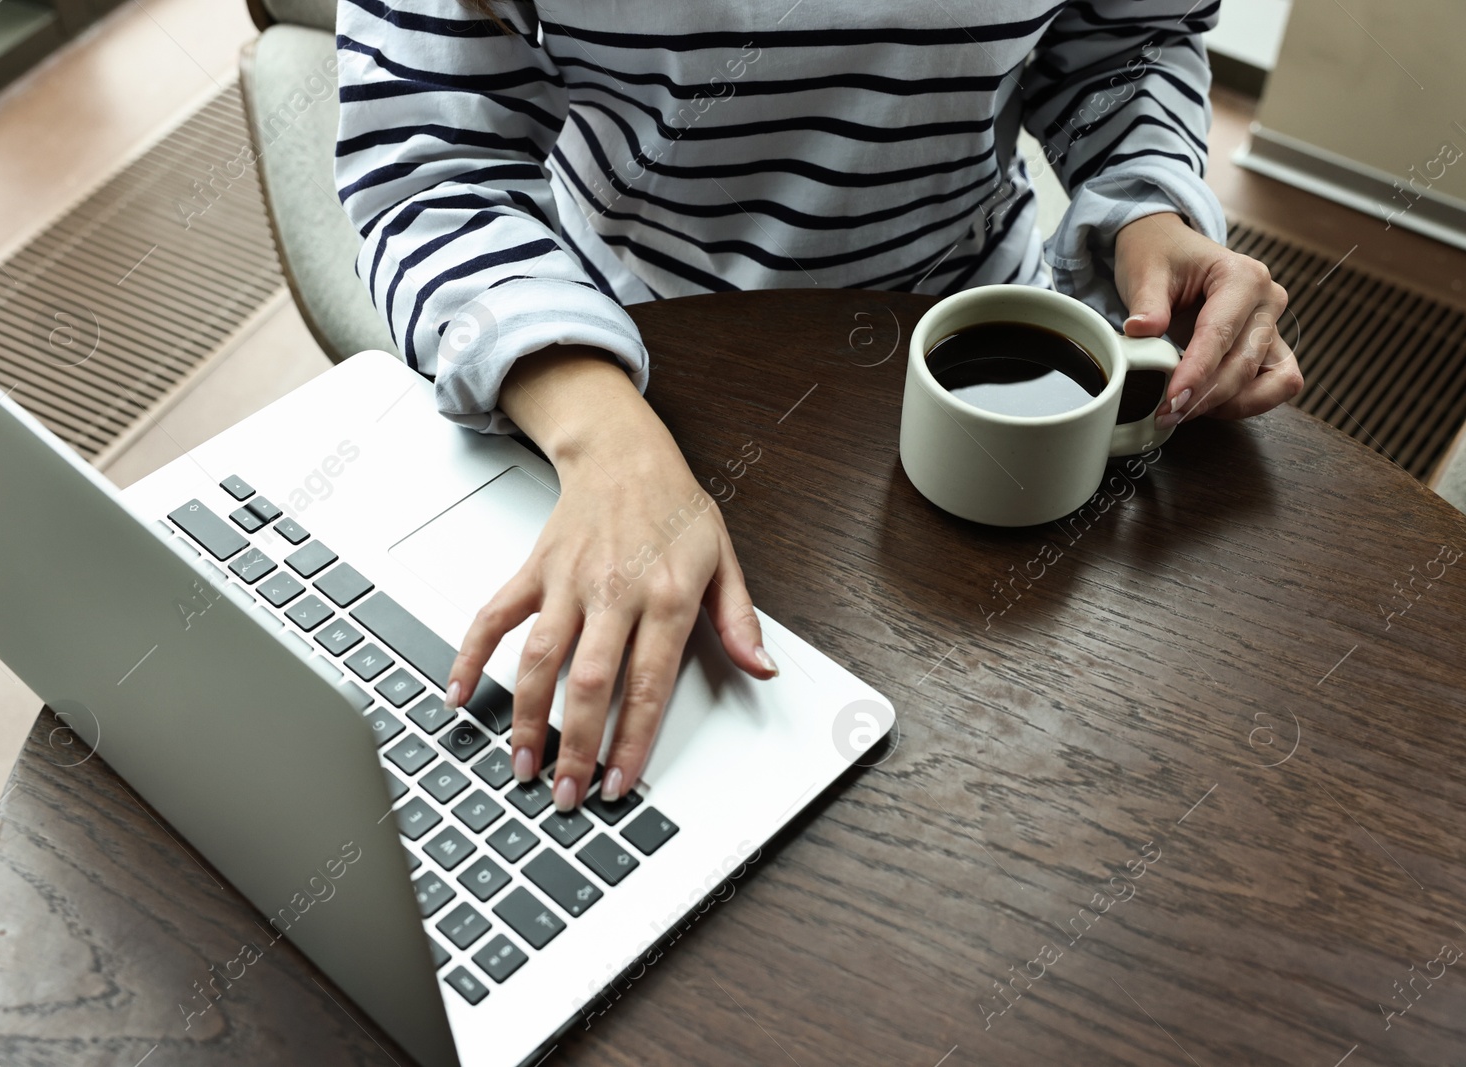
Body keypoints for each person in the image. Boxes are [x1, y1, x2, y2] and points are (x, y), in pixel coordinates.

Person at [333, 0, 1304, 813]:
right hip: (625, 368)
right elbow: (430, 166)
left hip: (961, 326)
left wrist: (1146, 209)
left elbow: (1121, 41)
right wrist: (603, 435)